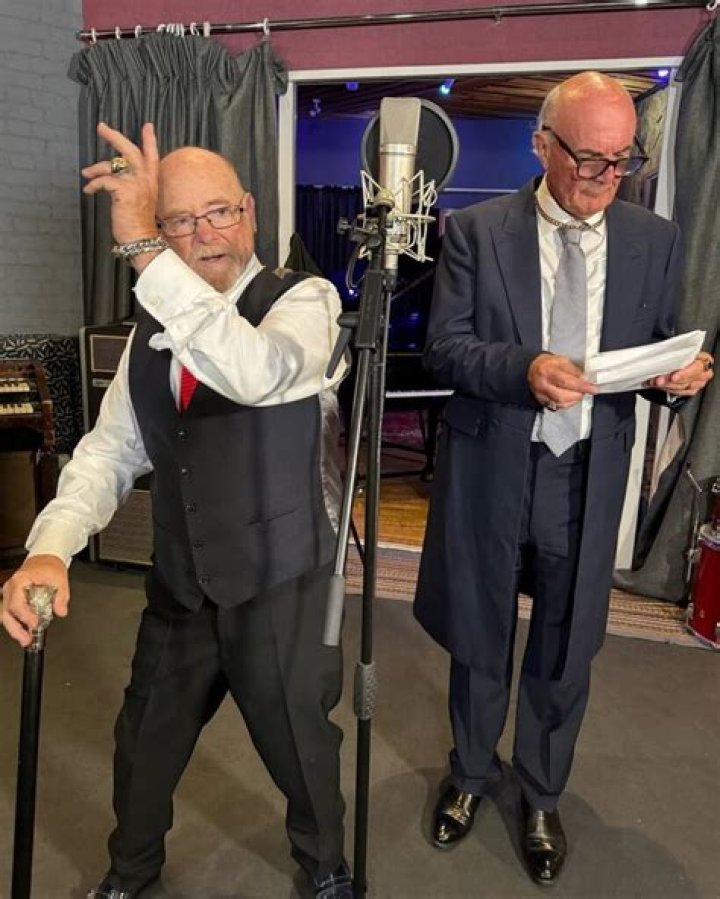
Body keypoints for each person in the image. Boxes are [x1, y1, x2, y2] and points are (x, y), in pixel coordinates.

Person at [1, 123, 353, 899]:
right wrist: (51, 546)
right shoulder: (150, 331)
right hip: (183, 582)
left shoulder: (305, 301)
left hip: (278, 583)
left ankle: (326, 866)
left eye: (218, 212)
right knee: (143, 743)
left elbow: (256, 372)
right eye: (179, 221)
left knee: (301, 744)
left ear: (249, 211)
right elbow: (108, 450)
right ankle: (130, 871)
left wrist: (141, 249)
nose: (204, 235)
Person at [414, 71, 714, 886]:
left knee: (566, 640)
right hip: (495, 464)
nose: (606, 177)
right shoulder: (477, 231)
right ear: (541, 144)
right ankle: (471, 772)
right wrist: (524, 367)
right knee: (481, 632)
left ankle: (542, 793)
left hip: (587, 470)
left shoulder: (654, 239)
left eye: (622, 160)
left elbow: (653, 347)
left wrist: (677, 376)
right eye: (589, 158)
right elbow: (445, 348)